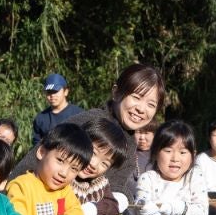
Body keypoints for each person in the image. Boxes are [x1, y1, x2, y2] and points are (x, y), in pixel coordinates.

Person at [12, 63, 166, 202]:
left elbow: (117, 185)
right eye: (136, 97)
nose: (141, 109)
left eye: (151, 104)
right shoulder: (90, 121)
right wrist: (9, 195)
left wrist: (126, 199)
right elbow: (37, 157)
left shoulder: (130, 144)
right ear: (116, 92)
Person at [31, 73, 84, 145]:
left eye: (55, 91)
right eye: (49, 92)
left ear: (66, 92)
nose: (52, 95)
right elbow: (36, 146)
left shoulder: (79, 114)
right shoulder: (40, 119)